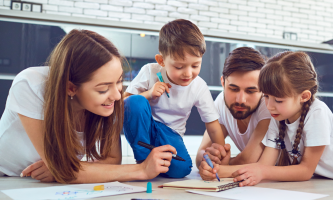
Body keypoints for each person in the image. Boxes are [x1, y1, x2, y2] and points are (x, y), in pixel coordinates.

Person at [0, 29, 176, 183]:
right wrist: (142, 170)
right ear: (71, 87)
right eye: (103, 89)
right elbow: (63, 168)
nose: (116, 96)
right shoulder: (31, 85)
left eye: (119, 81)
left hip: (42, 185)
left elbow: (112, 161)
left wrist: (67, 170)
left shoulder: (109, 102)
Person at [199, 51, 333, 186]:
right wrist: (218, 170)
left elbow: (304, 171)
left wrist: (259, 172)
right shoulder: (277, 115)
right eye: (266, 97)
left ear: (303, 96)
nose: (268, 106)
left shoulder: (317, 112)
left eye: (277, 99)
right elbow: (265, 164)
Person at [123, 19, 225, 178]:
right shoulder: (150, 71)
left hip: (170, 134)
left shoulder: (199, 86)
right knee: (136, 101)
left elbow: (212, 125)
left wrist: (221, 151)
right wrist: (149, 94)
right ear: (161, 61)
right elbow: (125, 103)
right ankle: (143, 162)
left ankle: (158, 163)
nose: (188, 73)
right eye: (179, 67)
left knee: (183, 168)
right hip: (146, 128)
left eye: (195, 65)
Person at [195, 47, 271, 170]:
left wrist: (222, 164)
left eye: (251, 91)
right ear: (223, 83)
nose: (240, 100)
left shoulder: (268, 106)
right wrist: (208, 158)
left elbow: (248, 160)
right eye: (233, 89)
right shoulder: (221, 102)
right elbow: (200, 155)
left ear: (263, 90)